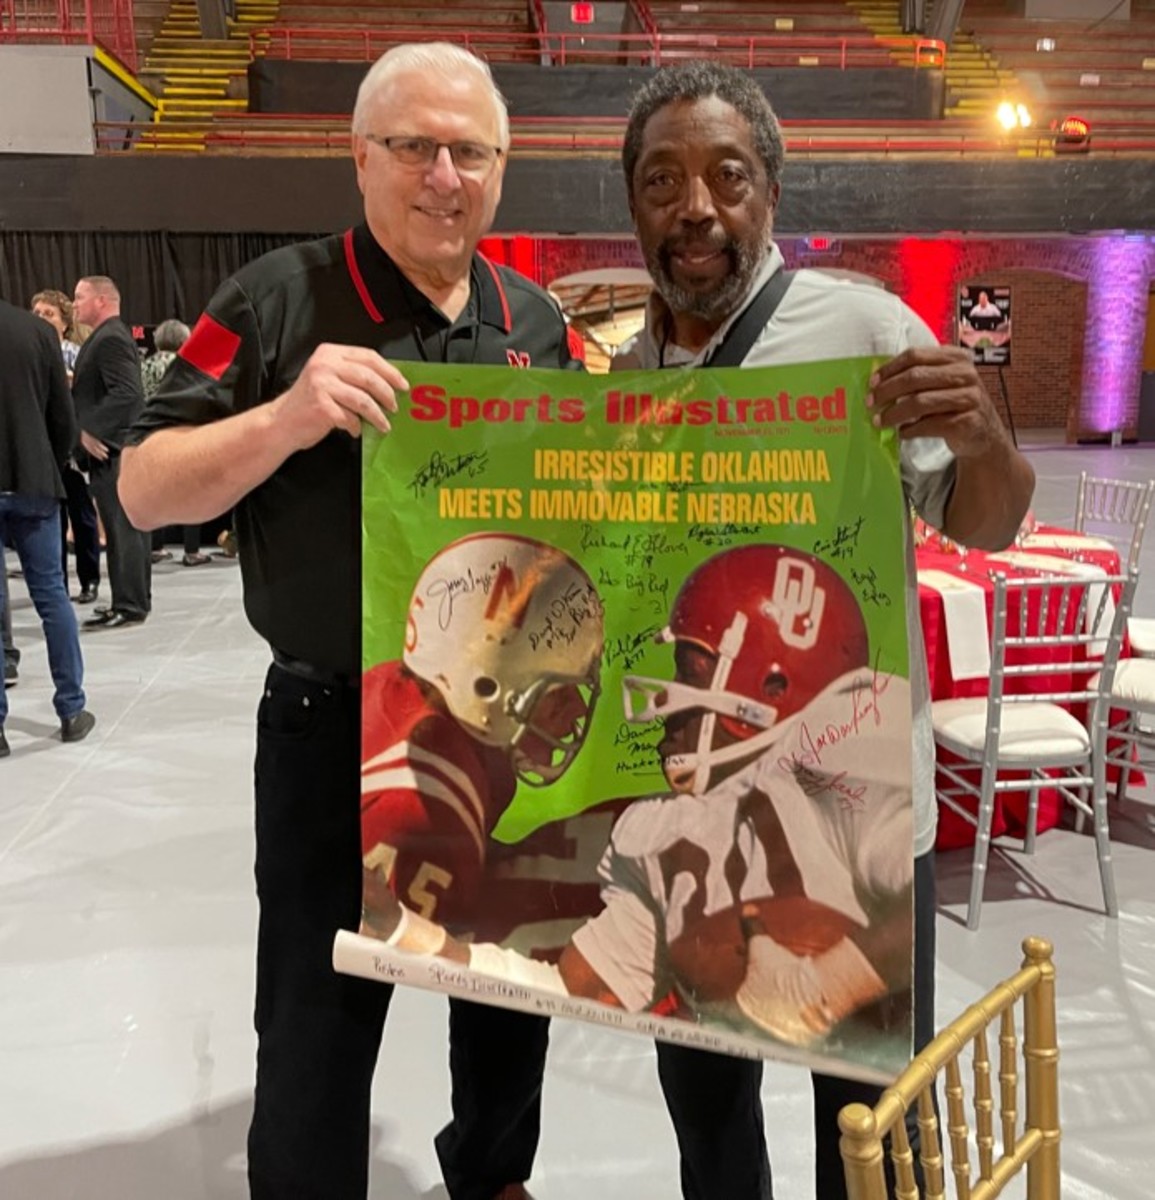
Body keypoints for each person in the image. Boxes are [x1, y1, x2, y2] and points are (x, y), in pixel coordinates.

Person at [119, 42, 584, 1200]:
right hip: (333, 725)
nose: (445, 176)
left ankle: (494, 1177)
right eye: (415, 147)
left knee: (509, 997)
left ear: (503, 167)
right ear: (360, 157)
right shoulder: (273, 299)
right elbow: (141, 487)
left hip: (498, 725)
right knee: (316, 1018)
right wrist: (285, 418)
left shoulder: (538, 324)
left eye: (470, 151)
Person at [610, 61, 1035, 1200]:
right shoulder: (626, 371)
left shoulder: (863, 325)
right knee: (707, 1110)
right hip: (698, 819)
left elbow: (988, 523)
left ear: (770, 192)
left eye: (726, 176)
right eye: (662, 181)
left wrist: (983, 436)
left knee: (873, 1126)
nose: (696, 207)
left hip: (858, 819)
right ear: (634, 205)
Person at [361, 531, 613, 957]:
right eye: (558, 694)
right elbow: (405, 957)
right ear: (486, 688)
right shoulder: (424, 810)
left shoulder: (413, 698)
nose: (576, 711)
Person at [0, 298, 96, 759]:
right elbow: (64, 418)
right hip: (34, 478)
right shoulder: (38, 333)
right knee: (52, 595)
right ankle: (71, 709)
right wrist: (50, 463)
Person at [71, 276, 150, 628]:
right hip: (116, 448)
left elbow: (128, 394)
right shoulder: (108, 336)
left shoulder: (110, 339)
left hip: (114, 449)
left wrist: (88, 430)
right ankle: (130, 599)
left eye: (79, 297)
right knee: (123, 529)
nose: (74, 304)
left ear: (101, 300)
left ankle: (130, 605)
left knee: (123, 529)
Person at [31, 288, 101, 605]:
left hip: (71, 446)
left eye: (49, 314)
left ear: (64, 322)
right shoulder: (26, 352)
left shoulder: (76, 353)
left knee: (82, 515)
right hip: (39, 444)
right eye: (37, 313)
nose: (42, 319)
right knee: (50, 518)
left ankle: (89, 580)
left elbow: (88, 396)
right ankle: (55, 582)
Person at [140, 319, 210, 567]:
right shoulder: (185, 367)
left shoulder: (144, 365)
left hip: (150, 433)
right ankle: (191, 551)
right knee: (191, 492)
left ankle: (156, 547)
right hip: (181, 433)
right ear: (184, 340)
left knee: (157, 493)